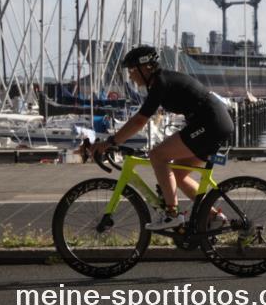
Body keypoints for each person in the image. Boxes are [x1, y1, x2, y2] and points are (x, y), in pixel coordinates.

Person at [86, 46, 235, 229]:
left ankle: (171, 214)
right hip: (212, 123)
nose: (130, 76)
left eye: (132, 70)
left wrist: (110, 142)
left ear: (146, 67)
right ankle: (214, 217)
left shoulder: (161, 83)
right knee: (179, 175)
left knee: (157, 155)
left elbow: (140, 120)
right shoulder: (159, 82)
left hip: (211, 124)